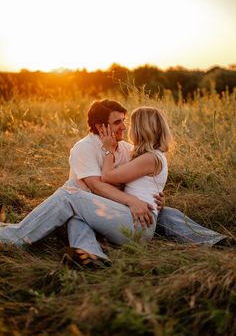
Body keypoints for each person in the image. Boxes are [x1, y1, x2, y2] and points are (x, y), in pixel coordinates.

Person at [0, 99, 227, 267]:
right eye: (117, 123)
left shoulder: (130, 151)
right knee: (73, 199)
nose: (124, 127)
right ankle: (90, 256)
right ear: (101, 127)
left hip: (118, 214)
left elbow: (140, 180)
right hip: (103, 208)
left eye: (125, 122)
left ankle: (212, 240)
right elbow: (97, 185)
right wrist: (133, 200)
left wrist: (152, 198)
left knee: (166, 212)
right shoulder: (84, 148)